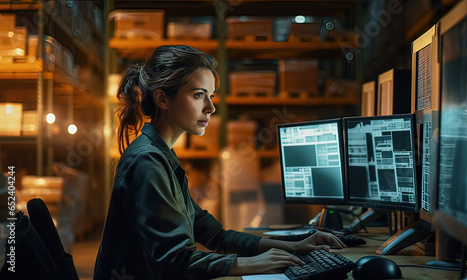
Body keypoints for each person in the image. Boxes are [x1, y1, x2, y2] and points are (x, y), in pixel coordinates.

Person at [94, 45, 346, 280]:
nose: (211, 108)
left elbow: (216, 235)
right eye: (198, 95)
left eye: (211, 95)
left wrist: (295, 245)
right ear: (162, 99)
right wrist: (254, 263)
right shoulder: (147, 162)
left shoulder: (161, 156)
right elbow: (174, 263)